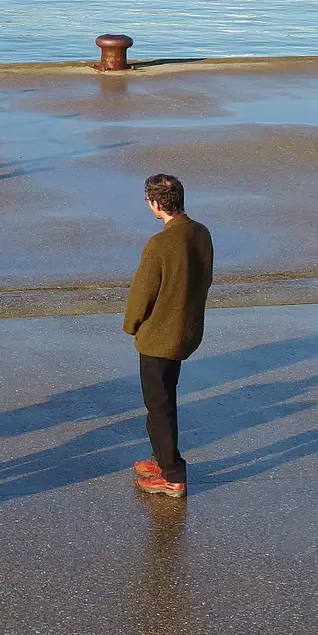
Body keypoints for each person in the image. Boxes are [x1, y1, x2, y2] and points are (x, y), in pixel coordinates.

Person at [124, 174, 214, 498]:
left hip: (159, 338)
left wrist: (132, 324)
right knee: (165, 397)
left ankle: (172, 474)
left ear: (156, 204)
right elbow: (205, 279)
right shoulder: (201, 234)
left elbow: (142, 295)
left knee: (158, 404)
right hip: (185, 333)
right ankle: (161, 457)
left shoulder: (159, 245)